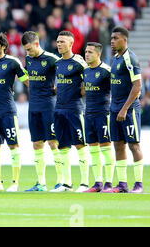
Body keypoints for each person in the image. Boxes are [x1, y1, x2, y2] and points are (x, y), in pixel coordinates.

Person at [0, 33, 29, 192]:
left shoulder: (13, 62)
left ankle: (15, 182)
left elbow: (27, 81)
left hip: (7, 111)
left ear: (3, 46)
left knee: (13, 145)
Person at [21, 31, 63, 192]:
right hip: (34, 107)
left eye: (30, 49)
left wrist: (58, 89)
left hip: (49, 106)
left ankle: (61, 181)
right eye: (26, 50)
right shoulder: (28, 59)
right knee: (37, 144)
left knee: (53, 143)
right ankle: (41, 183)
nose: (28, 53)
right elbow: (26, 76)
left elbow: (67, 73)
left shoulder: (52, 59)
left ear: (37, 44)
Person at [50, 31, 90, 193]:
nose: (59, 44)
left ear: (71, 44)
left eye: (63, 42)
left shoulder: (79, 61)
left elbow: (91, 77)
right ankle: (66, 183)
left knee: (80, 144)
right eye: (58, 42)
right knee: (63, 147)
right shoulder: (58, 63)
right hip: (59, 109)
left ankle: (85, 183)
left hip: (74, 109)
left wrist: (83, 91)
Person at [108, 26, 143, 193]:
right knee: (118, 145)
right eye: (111, 38)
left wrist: (124, 109)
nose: (112, 41)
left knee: (133, 145)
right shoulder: (115, 58)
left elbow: (137, 86)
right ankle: (122, 184)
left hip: (128, 110)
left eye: (115, 38)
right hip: (115, 109)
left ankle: (138, 184)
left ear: (124, 39)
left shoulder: (131, 58)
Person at [81, 42, 115, 193]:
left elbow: (117, 90)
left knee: (106, 149)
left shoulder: (107, 71)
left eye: (90, 52)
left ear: (98, 54)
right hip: (88, 115)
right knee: (93, 150)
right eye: (86, 52)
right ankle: (97, 183)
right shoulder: (86, 71)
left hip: (103, 114)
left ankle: (108, 183)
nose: (86, 54)